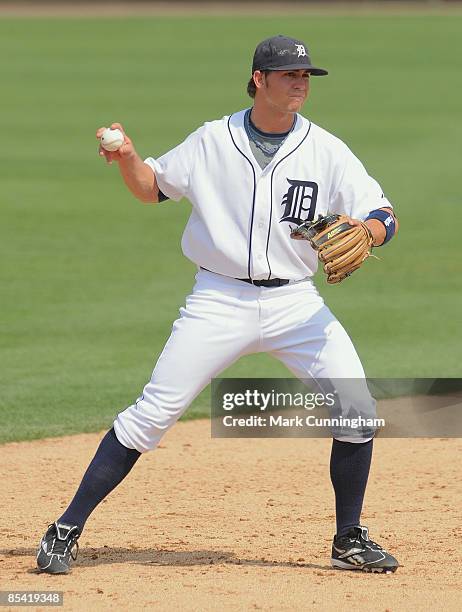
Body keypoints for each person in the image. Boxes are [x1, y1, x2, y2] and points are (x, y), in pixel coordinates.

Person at [36, 35, 399, 574]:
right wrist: (128, 157)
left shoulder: (327, 149)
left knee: (357, 407)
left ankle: (348, 538)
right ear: (258, 79)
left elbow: (384, 214)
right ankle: (65, 529)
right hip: (218, 301)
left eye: (305, 77)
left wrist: (368, 231)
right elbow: (152, 188)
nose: (300, 84)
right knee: (150, 417)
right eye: (289, 75)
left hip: (296, 305)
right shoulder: (213, 139)